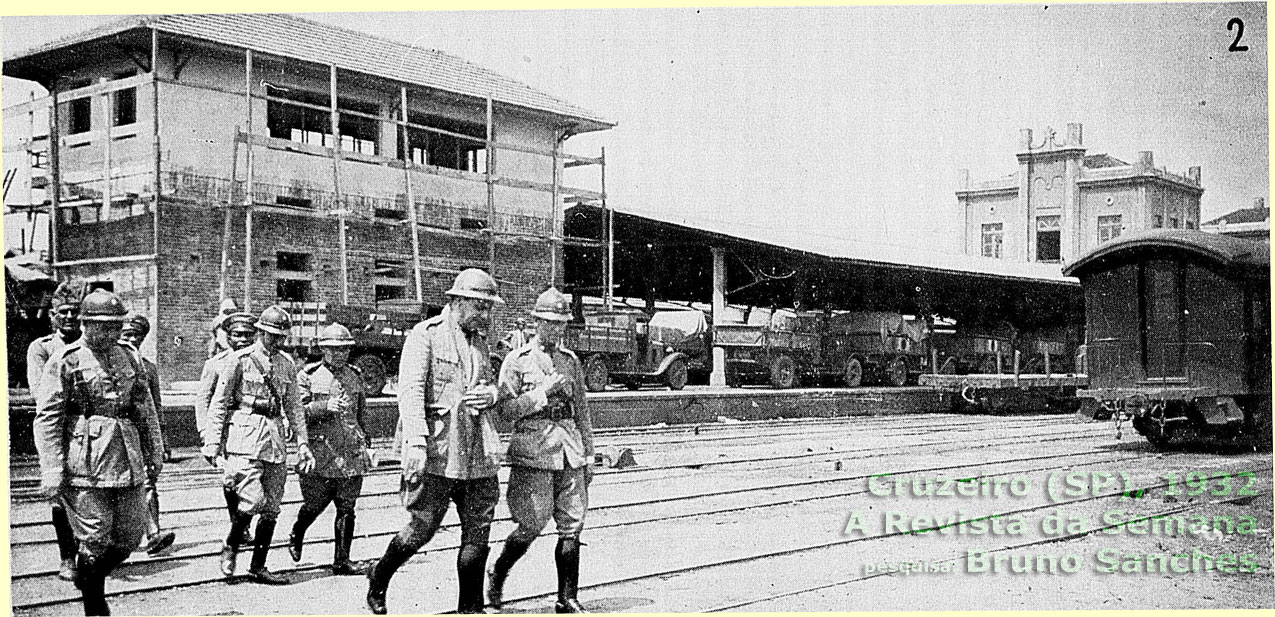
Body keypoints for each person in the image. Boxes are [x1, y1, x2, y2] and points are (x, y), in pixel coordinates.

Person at [365, 269, 505, 615]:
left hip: (478, 453)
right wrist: (415, 443)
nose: (485, 316)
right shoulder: (425, 335)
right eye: (479, 307)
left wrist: (491, 394)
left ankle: (470, 608)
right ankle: (379, 576)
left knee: (478, 532)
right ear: (456, 301)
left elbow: (489, 384)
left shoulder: (480, 342)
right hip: (438, 452)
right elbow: (410, 392)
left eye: (489, 309)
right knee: (421, 528)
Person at [33, 290, 165, 616]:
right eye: (102, 326)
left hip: (127, 458)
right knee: (94, 540)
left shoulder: (130, 356)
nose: (110, 333)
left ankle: (88, 578)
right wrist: (52, 469)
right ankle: (95, 605)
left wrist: (155, 450)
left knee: (130, 537)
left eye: (115, 326)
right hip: (85, 462)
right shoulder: (66, 359)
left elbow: (144, 407)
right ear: (85, 324)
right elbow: (48, 418)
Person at [488, 287, 594, 614]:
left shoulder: (570, 361)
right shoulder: (516, 361)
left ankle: (567, 598)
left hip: (570, 450)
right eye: (549, 323)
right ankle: (498, 574)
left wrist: (589, 455)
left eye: (561, 324)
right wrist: (542, 395)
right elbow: (503, 411)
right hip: (534, 452)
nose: (555, 329)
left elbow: (582, 410)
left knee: (572, 524)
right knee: (531, 525)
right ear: (536, 322)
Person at [202, 305, 315, 585]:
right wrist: (212, 442)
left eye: (282, 337)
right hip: (244, 439)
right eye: (273, 335)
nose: (278, 341)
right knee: (252, 499)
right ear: (261, 332)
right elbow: (219, 403)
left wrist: (303, 442)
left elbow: (295, 408)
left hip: (275, 441)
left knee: (272, 507)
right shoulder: (239, 360)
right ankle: (231, 542)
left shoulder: (287, 364)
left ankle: (258, 567)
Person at [289, 323, 374, 575]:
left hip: (349, 452)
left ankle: (342, 561)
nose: (340, 355)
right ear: (323, 350)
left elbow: (361, 413)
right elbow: (297, 413)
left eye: (345, 350)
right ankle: (298, 531)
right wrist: (324, 406)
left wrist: (366, 439)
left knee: (347, 507)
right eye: (334, 350)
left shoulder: (354, 375)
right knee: (315, 503)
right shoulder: (307, 376)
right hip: (320, 453)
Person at [26, 280, 85, 581]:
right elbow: (41, 393)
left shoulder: (90, 346)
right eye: (63, 312)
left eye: (75, 311)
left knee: (89, 489)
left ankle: (88, 552)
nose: (70, 317)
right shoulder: (42, 349)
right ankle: (67, 558)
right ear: (51, 316)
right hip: (57, 427)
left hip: (85, 428)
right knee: (60, 494)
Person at [196, 311, 259, 545]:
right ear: (228, 337)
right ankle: (238, 526)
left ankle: (243, 525)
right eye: (237, 335)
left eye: (248, 335)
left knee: (252, 480)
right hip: (223, 430)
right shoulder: (216, 364)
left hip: (249, 429)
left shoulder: (257, 362)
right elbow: (203, 399)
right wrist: (205, 433)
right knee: (231, 479)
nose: (242, 340)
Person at [119, 313, 177, 556]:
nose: (133, 339)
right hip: (115, 433)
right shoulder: (108, 363)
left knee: (148, 482)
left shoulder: (149, 368)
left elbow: (156, 407)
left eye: (138, 336)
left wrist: (161, 440)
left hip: (140, 433)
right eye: (128, 335)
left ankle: (153, 534)